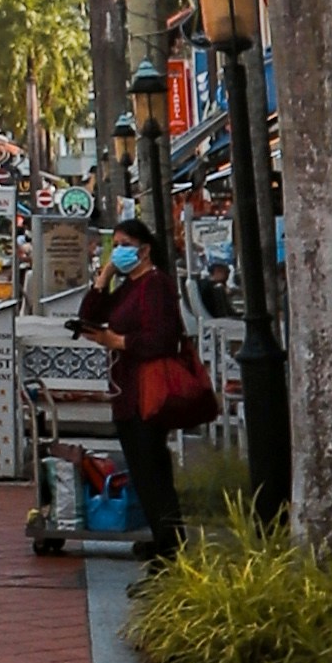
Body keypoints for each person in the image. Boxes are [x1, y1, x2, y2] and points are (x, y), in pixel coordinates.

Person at [88, 220, 200, 560]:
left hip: (148, 393)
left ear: (144, 248)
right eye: (115, 245)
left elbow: (161, 339)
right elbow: (92, 313)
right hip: (127, 394)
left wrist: (118, 341)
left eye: (125, 244)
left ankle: (169, 550)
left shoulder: (156, 286)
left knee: (152, 474)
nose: (119, 251)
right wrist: (105, 276)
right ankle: (163, 538)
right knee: (143, 471)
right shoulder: (130, 286)